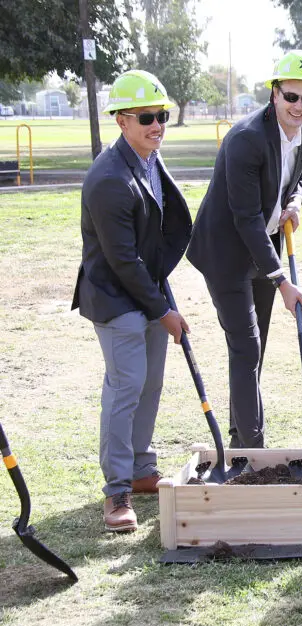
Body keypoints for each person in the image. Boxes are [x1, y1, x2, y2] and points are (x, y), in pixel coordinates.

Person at [72, 70, 192, 532]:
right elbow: (122, 260)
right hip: (115, 296)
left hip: (147, 287)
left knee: (151, 383)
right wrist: (163, 311)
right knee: (127, 386)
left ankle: (142, 470)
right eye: (146, 117)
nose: (157, 124)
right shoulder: (107, 179)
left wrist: (160, 298)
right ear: (121, 120)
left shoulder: (146, 158)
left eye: (162, 115)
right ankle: (116, 491)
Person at [187, 50, 302, 449]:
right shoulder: (246, 140)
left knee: (254, 347)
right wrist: (281, 280)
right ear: (274, 94)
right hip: (226, 252)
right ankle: (252, 449)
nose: (298, 106)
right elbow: (245, 218)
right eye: (290, 97)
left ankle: (239, 434)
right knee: (246, 345)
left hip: (264, 246)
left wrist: (295, 200)